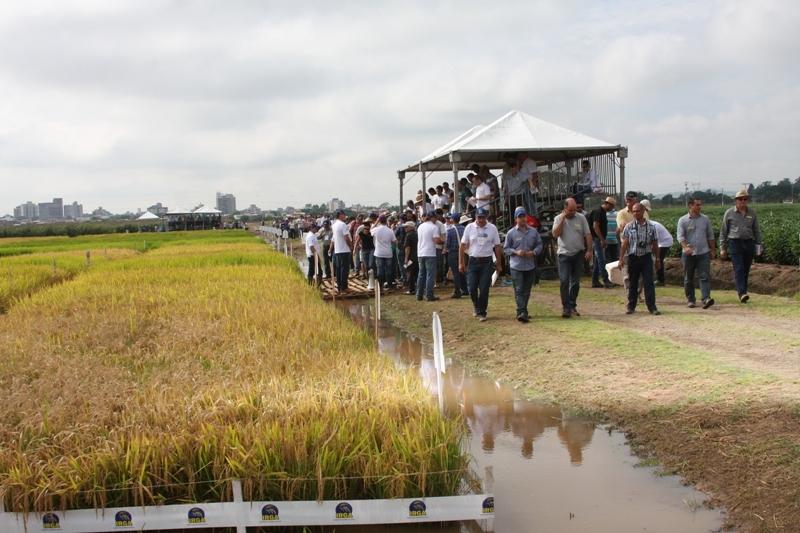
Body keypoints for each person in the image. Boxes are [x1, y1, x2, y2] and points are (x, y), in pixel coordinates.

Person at [552, 198, 593, 318]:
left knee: (575, 282)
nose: (573, 212)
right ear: (565, 209)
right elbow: (555, 234)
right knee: (564, 280)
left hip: (578, 254)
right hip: (564, 254)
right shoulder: (558, 218)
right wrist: (563, 220)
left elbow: (588, 234)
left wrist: (589, 250)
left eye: (575, 210)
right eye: (570, 210)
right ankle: (566, 308)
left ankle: (572, 305)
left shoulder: (581, 218)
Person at [460, 208, 502, 321]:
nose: (481, 220)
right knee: (472, 288)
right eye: (479, 217)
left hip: (487, 262)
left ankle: (482, 312)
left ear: (486, 217)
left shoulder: (492, 228)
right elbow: (462, 245)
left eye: (483, 217)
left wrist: (499, 263)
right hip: (473, 261)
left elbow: (497, 246)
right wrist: (461, 263)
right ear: (475, 217)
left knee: (484, 288)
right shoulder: (469, 228)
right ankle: (476, 305)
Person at [720, 189, 763, 303]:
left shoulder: (752, 213)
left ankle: (742, 291)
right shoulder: (729, 213)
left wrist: (759, 245)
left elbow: (756, 230)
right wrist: (722, 248)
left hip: (749, 243)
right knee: (738, 268)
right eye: (740, 199)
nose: (743, 201)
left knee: (746, 269)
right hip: (735, 243)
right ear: (736, 200)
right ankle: (742, 293)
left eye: (745, 199)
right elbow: (724, 231)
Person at [619, 203, 661, 315]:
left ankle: (652, 307)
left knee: (649, 283)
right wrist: (621, 258)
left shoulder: (651, 227)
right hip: (633, 257)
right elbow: (624, 244)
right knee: (633, 283)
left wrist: (657, 259)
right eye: (634, 211)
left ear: (643, 212)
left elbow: (655, 243)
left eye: (638, 211)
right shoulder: (629, 227)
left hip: (646, 257)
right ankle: (631, 306)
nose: (635, 213)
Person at [504, 207, 543, 322]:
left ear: (526, 217)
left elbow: (540, 245)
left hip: (530, 265)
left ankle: (521, 310)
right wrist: (516, 252)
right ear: (516, 219)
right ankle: (522, 312)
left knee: (527, 289)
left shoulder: (533, 232)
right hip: (516, 265)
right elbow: (505, 249)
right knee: (519, 288)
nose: (522, 219)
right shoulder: (511, 233)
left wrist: (534, 252)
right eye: (519, 217)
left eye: (523, 216)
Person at [677, 197, 717, 309]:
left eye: (700, 205)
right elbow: (680, 237)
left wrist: (713, 249)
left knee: (704, 276)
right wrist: (685, 247)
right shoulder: (683, 220)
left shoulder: (705, 219)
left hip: (703, 253)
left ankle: (706, 298)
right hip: (688, 255)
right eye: (697, 205)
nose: (700, 207)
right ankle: (691, 300)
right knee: (688, 278)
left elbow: (710, 236)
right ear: (690, 206)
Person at [616, 191, 648, 290]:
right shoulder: (621, 213)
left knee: (643, 273)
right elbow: (623, 227)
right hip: (627, 246)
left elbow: (645, 224)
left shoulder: (644, 212)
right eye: (627, 199)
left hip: (641, 246)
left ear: (636, 200)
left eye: (631, 200)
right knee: (627, 274)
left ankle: (637, 292)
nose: (628, 201)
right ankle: (630, 294)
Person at [640, 200, 674, 286]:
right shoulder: (647, 223)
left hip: (665, 242)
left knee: (658, 260)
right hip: (661, 241)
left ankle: (660, 280)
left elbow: (654, 240)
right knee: (655, 259)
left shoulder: (652, 226)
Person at [589, 196, 616, 288]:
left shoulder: (602, 212)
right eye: (612, 206)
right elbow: (595, 226)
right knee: (601, 259)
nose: (612, 208)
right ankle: (605, 280)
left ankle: (595, 280)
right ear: (607, 204)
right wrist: (602, 239)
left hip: (598, 238)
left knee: (597, 261)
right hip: (597, 239)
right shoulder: (598, 211)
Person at [416, 212, 443, 301]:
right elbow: (436, 240)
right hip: (430, 253)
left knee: (421, 274)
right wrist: (443, 241)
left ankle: (419, 295)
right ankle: (429, 295)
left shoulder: (420, 226)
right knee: (430, 275)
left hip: (420, 252)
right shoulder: (434, 227)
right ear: (433, 218)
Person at [371, 215, 397, 290]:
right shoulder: (390, 230)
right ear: (386, 221)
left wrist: (376, 222)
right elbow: (394, 241)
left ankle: (380, 285)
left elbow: (371, 230)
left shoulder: (376, 229)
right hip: (388, 252)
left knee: (380, 269)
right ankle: (389, 284)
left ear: (380, 221)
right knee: (388, 269)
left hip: (379, 252)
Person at [445, 212, 467, 298]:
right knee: (462, 271)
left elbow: (447, 245)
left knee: (455, 273)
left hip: (453, 253)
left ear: (452, 220)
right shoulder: (464, 228)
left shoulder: (450, 231)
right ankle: (465, 289)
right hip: (463, 252)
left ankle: (457, 292)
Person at [330, 210, 352, 292]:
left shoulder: (334, 225)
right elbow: (346, 237)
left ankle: (339, 286)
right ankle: (344, 287)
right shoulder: (343, 225)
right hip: (344, 250)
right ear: (340, 215)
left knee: (339, 269)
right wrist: (350, 246)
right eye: (344, 215)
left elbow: (334, 239)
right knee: (344, 270)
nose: (345, 216)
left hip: (337, 250)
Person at [403, 221, 418, 294]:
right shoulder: (417, 234)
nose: (405, 228)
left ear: (411, 227)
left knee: (410, 273)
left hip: (411, 258)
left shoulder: (408, 235)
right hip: (418, 256)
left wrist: (406, 258)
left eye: (406, 227)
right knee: (417, 273)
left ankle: (411, 289)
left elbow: (407, 248)